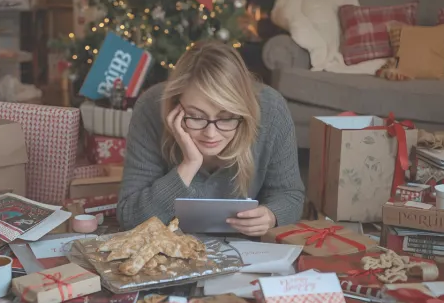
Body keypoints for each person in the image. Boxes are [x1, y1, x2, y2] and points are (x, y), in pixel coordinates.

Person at [117, 41, 304, 236]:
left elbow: (290, 195)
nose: (211, 134)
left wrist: (272, 215)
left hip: (249, 251)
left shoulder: (271, 109)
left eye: (226, 118)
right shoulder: (150, 107)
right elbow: (130, 218)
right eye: (196, 117)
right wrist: (189, 165)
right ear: (175, 105)